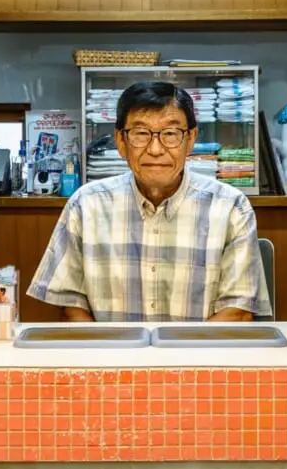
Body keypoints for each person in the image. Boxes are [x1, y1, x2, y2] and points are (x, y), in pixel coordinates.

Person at [29, 81, 263, 323]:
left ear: (191, 139)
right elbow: (71, 306)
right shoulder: (86, 205)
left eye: (170, 134)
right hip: (109, 348)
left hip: (198, 349)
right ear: (120, 141)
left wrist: (183, 350)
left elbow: (238, 310)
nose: (155, 149)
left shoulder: (231, 207)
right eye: (141, 134)